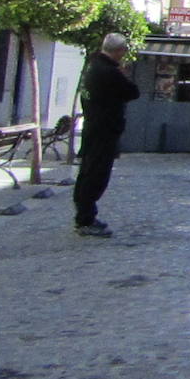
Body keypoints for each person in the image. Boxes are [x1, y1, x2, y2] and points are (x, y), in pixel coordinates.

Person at [74, 33, 140, 238]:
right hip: (104, 128)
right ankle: (85, 219)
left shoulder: (91, 66)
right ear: (118, 51)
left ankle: (85, 215)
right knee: (96, 174)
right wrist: (122, 74)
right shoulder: (109, 71)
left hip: (93, 126)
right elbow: (132, 92)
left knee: (88, 171)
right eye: (123, 51)